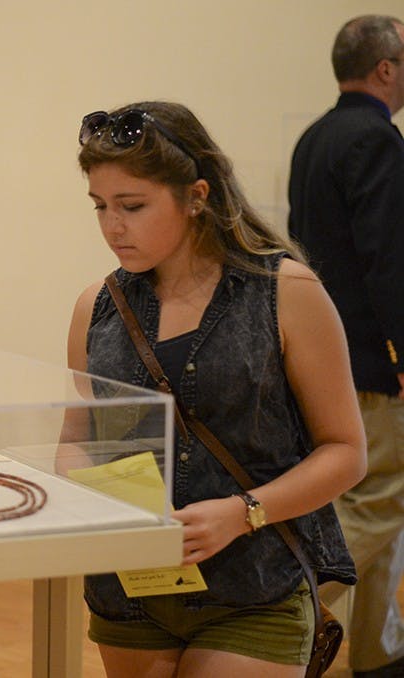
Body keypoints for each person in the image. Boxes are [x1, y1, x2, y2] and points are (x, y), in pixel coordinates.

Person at [67, 101, 366, 676]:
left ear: (196, 196)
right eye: (100, 206)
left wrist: (243, 512)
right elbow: (78, 439)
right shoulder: (96, 307)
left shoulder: (287, 292)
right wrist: (100, 499)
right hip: (130, 591)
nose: (113, 226)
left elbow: (346, 452)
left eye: (132, 206)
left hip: (254, 586)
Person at [287, 14, 404, 678]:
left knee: (370, 500)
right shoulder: (377, 140)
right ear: (385, 69)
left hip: (328, 353)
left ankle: (382, 649)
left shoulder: (315, 137)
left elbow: (306, 242)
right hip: (373, 360)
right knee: (383, 499)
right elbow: (389, 261)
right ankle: (274, 616)